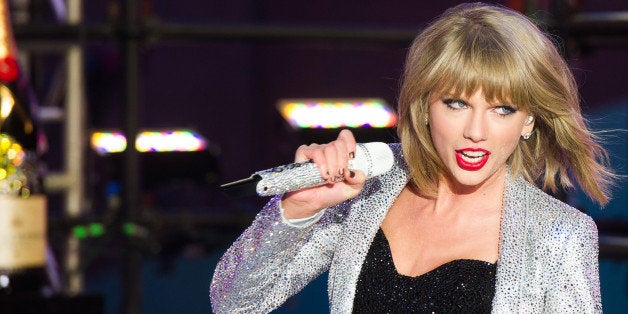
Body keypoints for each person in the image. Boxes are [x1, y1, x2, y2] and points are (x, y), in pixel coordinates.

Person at [210, 3, 614, 313]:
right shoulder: (367, 188)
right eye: (456, 104)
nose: (476, 131)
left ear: (529, 121)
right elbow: (235, 303)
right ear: (422, 107)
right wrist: (299, 210)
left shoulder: (559, 234)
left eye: (502, 109)